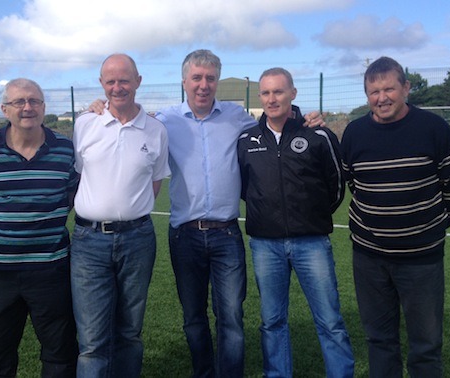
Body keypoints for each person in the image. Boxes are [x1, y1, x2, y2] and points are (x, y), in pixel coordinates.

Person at [88, 49, 324, 378]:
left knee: (231, 316)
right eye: (196, 78)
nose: (203, 85)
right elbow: (128, 121)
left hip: (226, 234)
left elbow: (275, 119)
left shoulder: (236, 116)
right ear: (184, 81)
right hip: (184, 235)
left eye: (210, 78)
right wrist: (98, 107)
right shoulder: (164, 121)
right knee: (193, 318)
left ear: (216, 81)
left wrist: (305, 117)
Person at [341, 56, 450, 377]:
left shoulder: (434, 129)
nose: (382, 98)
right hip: (369, 258)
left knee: (426, 343)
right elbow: (354, 183)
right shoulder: (354, 134)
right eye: (373, 91)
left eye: (389, 89)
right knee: (379, 339)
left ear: (406, 88)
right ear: (366, 95)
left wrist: (427, 229)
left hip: (421, 259)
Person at [237, 67, 354, 378]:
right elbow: (245, 188)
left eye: (278, 91)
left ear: (293, 93)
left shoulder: (317, 134)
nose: (272, 99)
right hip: (265, 244)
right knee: (272, 320)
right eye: (266, 93)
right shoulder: (247, 140)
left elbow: (337, 184)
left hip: (311, 242)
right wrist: (267, 214)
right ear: (260, 97)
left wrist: (311, 216)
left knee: (329, 319)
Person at [0, 78, 79, 377]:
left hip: (51, 270)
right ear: (5, 109)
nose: (28, 107)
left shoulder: (65, 149)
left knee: (60, 356)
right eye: (20, 102)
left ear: (43, 107)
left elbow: (69, 196)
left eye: (35, 101)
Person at [70, 53, 170, 377]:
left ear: (138, 81)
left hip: (137, 239)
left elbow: (153, 184)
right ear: (101, 84)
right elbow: (82, 173)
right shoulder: (85, 124)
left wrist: (127, 213)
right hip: (88, 242)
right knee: (92, 342)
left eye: (124, 79)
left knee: (129, 332)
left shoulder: (156, 130)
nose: (118, 87)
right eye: (110, 81)